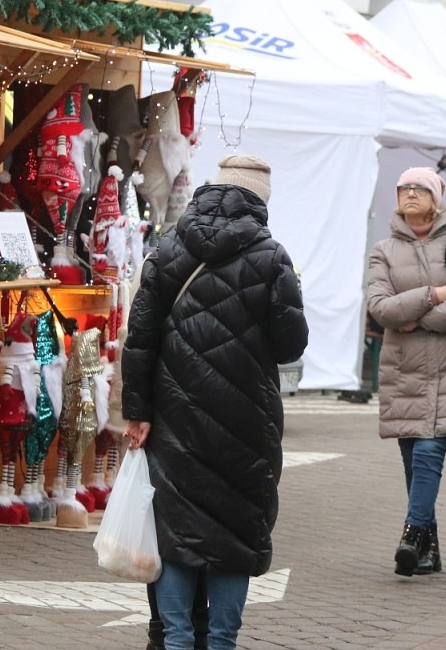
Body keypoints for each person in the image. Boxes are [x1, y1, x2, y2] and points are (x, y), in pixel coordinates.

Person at [122, 154, 309, 650]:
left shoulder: (165, 251)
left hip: (173, 415)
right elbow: (290, 345)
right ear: (260, 201)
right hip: (246, 418)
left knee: (176, 531)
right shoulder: (272, 257)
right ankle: (222, 641)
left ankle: (177, 640)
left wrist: (137, 412)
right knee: (236, 531)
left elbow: (139, 339)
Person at [366, 167, 446, 577]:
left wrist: (417, 319)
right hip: (403, 370)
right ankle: (428, 551)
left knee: (428, 453)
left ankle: (412, 534)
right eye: (405, 188)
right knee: (411, 460)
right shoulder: (383, 249)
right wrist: (434, 295)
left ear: (436, 198)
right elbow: (380, 308)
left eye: (420, 188)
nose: (411, 194)